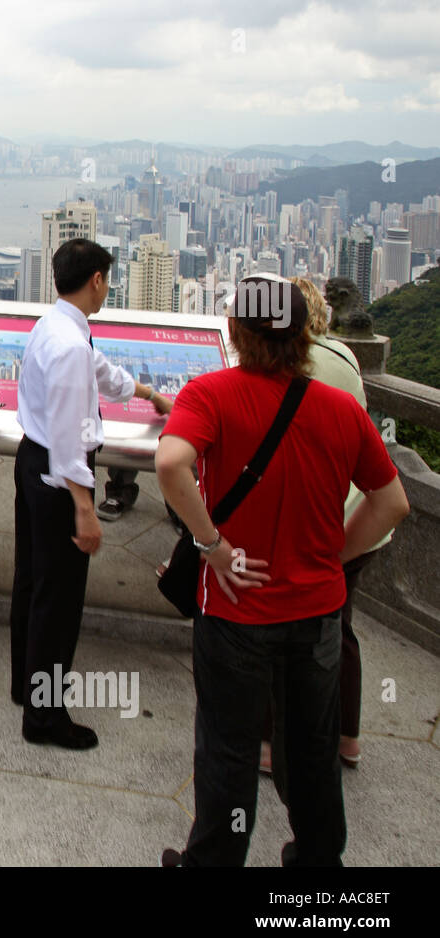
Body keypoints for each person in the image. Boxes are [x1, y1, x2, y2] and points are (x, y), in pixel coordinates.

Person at [157, 275, 408, 867]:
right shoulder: (341, 408)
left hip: (235, 608)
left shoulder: (210, 394)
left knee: (228, 748)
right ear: (305, 334)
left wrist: (212, 545)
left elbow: (171, 463)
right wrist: (331, 559)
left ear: (236, 332)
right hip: (317, 612)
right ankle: (318, 865)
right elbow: (392, 502)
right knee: (312, 748)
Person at [12, 239, 172, 749]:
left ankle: (25, 685)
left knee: (33, 584)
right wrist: (85, 509)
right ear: (97, 280)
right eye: (107, 279)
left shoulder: (52, 325)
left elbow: (101, 371)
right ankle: (44, 719)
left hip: (30, 463)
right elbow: (69, 440)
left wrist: (145, 393)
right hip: (58, 478)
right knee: (58, 604)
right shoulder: (70, 345)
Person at [257, 275, 393, 773]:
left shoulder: (285, 365)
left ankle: (272, 744)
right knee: (341, 628)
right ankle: (347, 737)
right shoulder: (346, 361)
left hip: (312, 524)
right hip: (361, 518)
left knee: (278, 631)